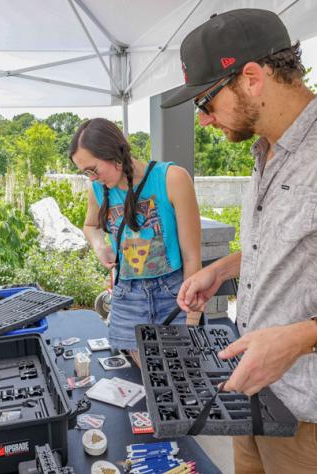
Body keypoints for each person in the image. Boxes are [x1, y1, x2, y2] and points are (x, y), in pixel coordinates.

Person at [162, 8, 317, 473]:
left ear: (251, 78)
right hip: (252, 393)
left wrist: (300, 338)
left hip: (306, 417)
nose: (205, 121)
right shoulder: (263, 149)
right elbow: (282, 248)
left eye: (205, 103)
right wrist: (221, 270)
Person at [69, 118, 201, 365]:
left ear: (114, 152)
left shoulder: (172, 178)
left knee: (178, 371)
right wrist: (101, 247)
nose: (93, 178)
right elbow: (90, 225)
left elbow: (192, 256)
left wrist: (192, 319)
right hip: (127, 296)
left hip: (173, 293)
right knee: (138, 378)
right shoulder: (98, 189)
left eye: (93, 169)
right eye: (86, 173)